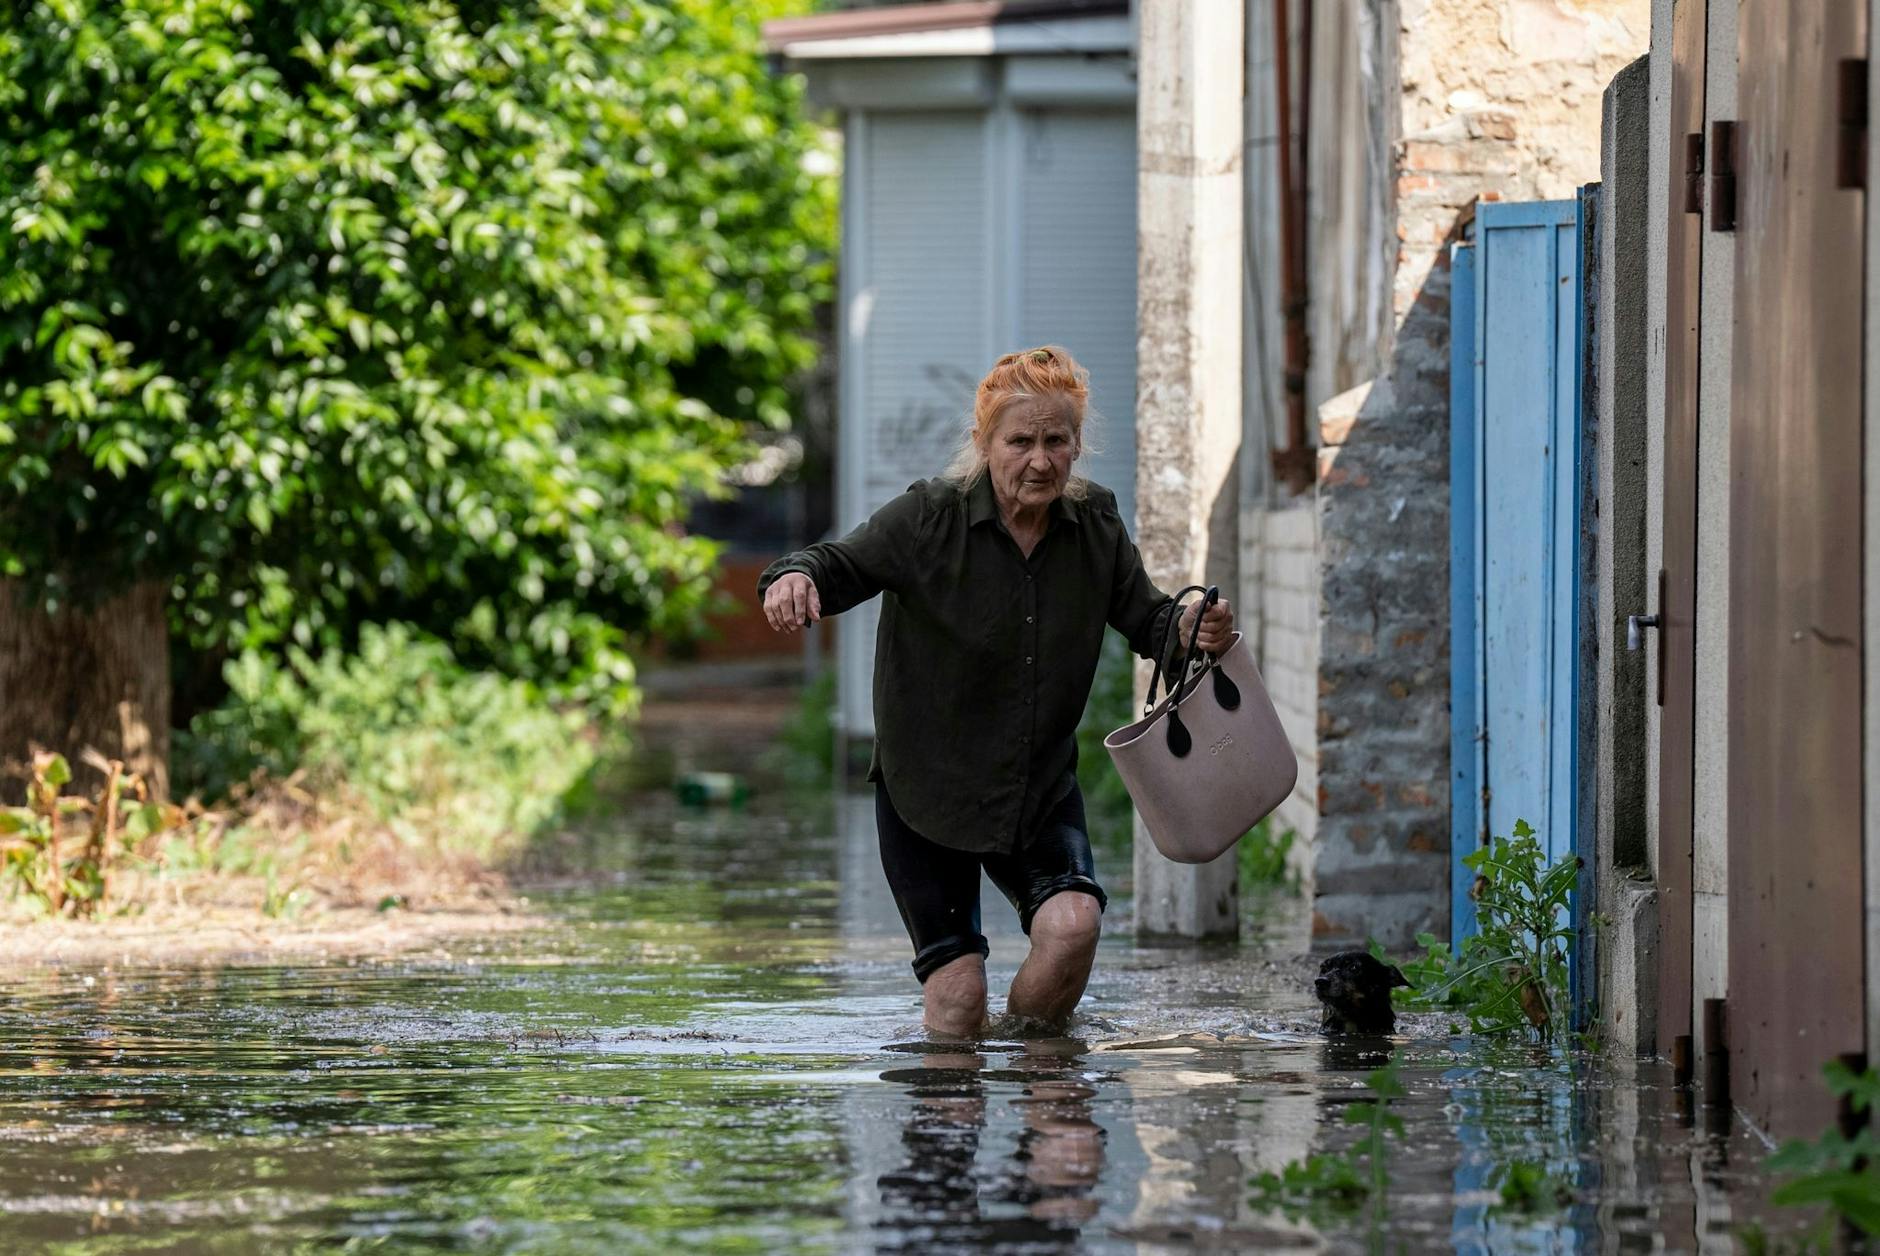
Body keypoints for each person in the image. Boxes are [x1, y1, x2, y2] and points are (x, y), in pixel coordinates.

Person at [759, 346, 1234, 1037]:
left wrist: (1190, 627)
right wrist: (793, 577)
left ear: (1076, 445)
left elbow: (1149, 621)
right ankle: (958, 1098)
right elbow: (834, 564)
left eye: (1055, 441)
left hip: (1037, 787)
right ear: (985, 444)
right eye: (1020, 442)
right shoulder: (929, 517)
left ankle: (1035, 1072)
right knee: (958, 998)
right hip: (927, 793)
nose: (1039, 461)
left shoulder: (1095, 524)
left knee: (1073, 928)